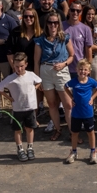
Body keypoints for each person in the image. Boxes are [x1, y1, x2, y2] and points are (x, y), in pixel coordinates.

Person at [34, 12, 75, 142]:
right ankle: (58, 129)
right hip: (45, 70)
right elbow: (36, 61)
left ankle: (72, 131)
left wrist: (63, 64)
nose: (53, 25)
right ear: (46, 24)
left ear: (59, 24)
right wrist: (37, 80)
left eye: (55, 22)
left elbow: (72, 56)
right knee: (51, 103)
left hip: (61, 71)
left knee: (68, 104)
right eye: (50, 22)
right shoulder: (40, 40)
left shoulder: (65, 38)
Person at [0, 53, 41, 162]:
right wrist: (9, 98)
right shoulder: (10, 78)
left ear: (26, 64)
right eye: (16, 66)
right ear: (13, 65)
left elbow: (39, 81)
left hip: (30, 107)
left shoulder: (31, 75)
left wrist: (33, 89)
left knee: (30, 128)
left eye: (21, 66)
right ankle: (20, 149)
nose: (19, 69)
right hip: (17, 109)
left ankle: (30, 148)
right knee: (18, 129)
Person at [63, 59, 97, 165]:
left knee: (91, 133)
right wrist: (71, 97)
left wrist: (92, 98)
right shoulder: (74, 81)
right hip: (76, 113)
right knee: (74, 133)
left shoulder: (91, 81)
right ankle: (74, 151)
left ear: (89, 71)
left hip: (88, 113)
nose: (83, 71)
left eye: (85, 70)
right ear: (76, 70)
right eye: (80, 69)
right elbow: (65, 87)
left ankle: (93, 151)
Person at [6, 8, 41, 72]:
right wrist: (15, 69)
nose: (28, 18)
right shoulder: (16, 32)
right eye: (25, 16)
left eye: (31, 16)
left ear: (35, 17)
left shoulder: (41, 34)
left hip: (36, 69)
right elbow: (10, 53)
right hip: (19, 70)